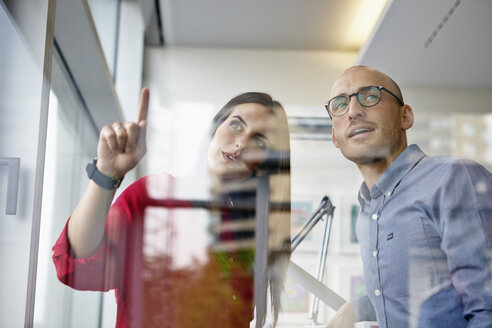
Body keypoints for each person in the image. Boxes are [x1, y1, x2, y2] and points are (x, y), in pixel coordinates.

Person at [52, 89, 291, 328]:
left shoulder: (245, 237)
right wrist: (106, 175)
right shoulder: (154, 196)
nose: (242, 143)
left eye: (259, 141)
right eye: (237, 126)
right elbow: (75, 265)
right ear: (215, 128)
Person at [324, 66, 492, 328]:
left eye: (370, 96)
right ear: (335, 137)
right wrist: (357, 308)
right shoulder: (366, 216)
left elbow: (487, 308)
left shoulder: (454, 178)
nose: (354, 111)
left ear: (406, 116)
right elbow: (408, 295)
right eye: (340, 104)